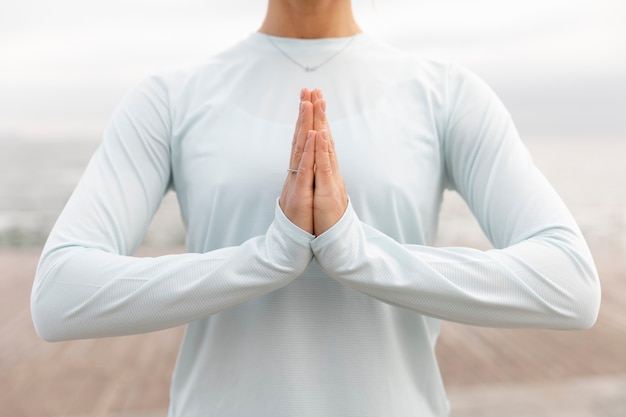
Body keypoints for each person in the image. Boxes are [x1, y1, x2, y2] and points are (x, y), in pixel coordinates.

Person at [31, 0, 601, 415]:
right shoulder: (172, 97)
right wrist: (269, 257)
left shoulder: (445, 93)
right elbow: (60, 294)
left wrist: (355, 252)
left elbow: (569, 284)